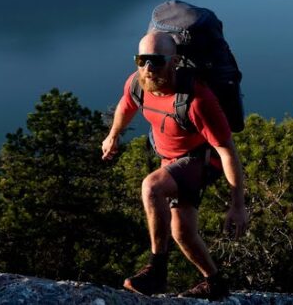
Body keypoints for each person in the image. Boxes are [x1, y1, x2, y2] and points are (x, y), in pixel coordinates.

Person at [102, 32, 248, 300]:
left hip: (200, 160)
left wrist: (238, 205)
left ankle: (157, 270)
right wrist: (113, 135)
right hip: (170, 160)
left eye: (156, 61)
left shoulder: (197, 100)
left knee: (152, 187)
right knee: (182, 232)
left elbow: (227, 152)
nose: (148, 68)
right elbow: (126, 106)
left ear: (175, 61)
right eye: (142, 60)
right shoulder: (137, 84)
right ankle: (215, 282)